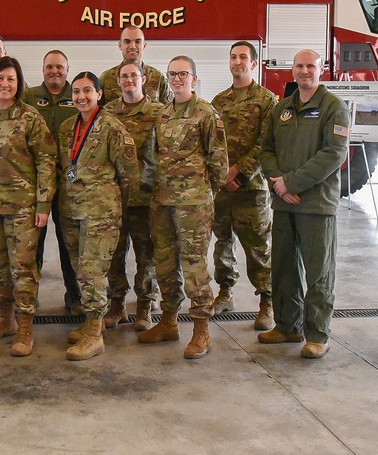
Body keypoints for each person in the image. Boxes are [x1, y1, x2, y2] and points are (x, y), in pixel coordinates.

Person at [257, 49, 350, 359]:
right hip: (284, 203)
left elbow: (333, 154)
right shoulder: (282, 109)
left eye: (311, 65)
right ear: (292, 70)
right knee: (283, 269)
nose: (304, 71)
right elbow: (265, 149)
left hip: (316, 204)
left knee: (319, 272)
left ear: (321, 69)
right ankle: (288, 326)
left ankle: (318, 334)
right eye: (299, 66)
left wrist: (292, 183)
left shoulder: (333, 108)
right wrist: (278, 182)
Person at [140, 56, 228, 359]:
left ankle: (201, 329)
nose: (177, 79)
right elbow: (154, 157)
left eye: (183, 74)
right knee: (163, 263)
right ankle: (168, 321)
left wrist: (205, 194)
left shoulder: (205, 113)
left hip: (193, 204)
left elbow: (219, 161)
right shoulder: (163, 114)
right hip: (162, 201)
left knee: (194, 265)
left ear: (194, 78)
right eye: (172, 74)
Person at [0, 56, 56, 357]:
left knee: (23, 269)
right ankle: (5, 320)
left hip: (23, 208)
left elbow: (46, 160)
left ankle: (24, 328)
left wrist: (43, 203)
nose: (4, 84)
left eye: (10, 79)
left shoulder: (31, 118)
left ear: (18, 84)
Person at [59, 72, 138, 361]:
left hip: (100, 213)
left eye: (87, 91)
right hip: (72, 209)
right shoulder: (67, 128)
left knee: (93, 272)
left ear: (100, 93)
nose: (81, 97)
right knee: (81, 268)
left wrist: (113, 206)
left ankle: (95, 335)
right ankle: (92, 322)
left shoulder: (113, 129)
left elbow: (129, 174)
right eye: (76, 91)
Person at [210, 41, 278, 331]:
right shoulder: (219, 100)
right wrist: (220, 175)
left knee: (257, 247)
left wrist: (238, 172)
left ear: (253, 63)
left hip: (251, 189)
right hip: (222, 189)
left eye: (243, 58)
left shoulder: (267, 100)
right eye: (233, 57)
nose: (238, 62)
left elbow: (266, 143)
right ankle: (225, 293)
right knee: (222, 242)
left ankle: (266, 301)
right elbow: (211, 142)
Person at [104, 61, 164, 331]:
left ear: (144, 80)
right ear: (118, 81)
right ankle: (116, 304)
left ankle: (144, 305)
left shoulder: (158, 112)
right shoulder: (106, 112)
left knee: (145, 254)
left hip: (145, 197)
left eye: (134, 76)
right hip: (114, 197)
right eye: (124, 76)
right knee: (114, 254)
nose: (129, 80)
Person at [22, 50, 82, 314]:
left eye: (59, 67)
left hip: (70, 185)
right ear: (42, 69)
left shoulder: (79, 96)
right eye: (49, 67)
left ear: (67, 69)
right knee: (31, 243)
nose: (54, 71)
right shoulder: (30, 97)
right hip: (36, 184)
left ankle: (75, 296)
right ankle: (28, 298)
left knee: (70, 242)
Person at [99, 26, 173, 105]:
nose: (132, 46)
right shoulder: (106, 78)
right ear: (120, 45)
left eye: (138, 42)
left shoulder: (158, 78)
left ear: (144, 45)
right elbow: (98, 112)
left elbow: (168, 111)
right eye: (127, 42)